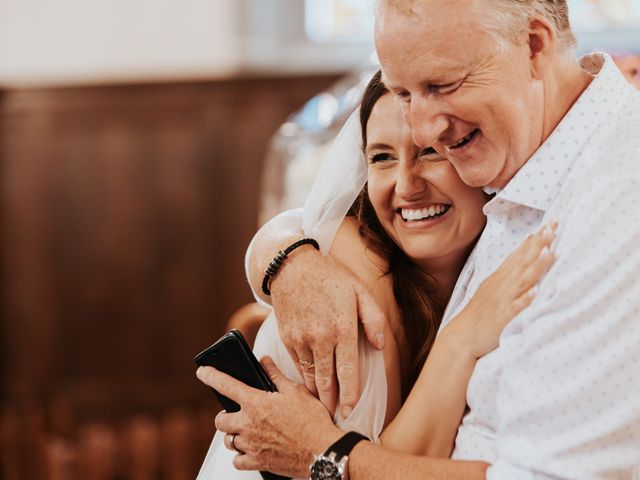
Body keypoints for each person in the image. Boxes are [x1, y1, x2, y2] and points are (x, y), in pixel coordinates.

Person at [200, 0, 640, 478]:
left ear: (533, 45)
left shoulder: (612, 201)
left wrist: (321, 456)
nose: (425, 127)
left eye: (442, 85)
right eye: (404, 93)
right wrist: (286, 255)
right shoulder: (512, 163)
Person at [196, 70, 555, 479]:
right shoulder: (358, 273)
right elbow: (370, 465)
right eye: (382, 157)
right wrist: (461, 341)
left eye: (431, 152)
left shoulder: (504, 252)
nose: (406, 185)